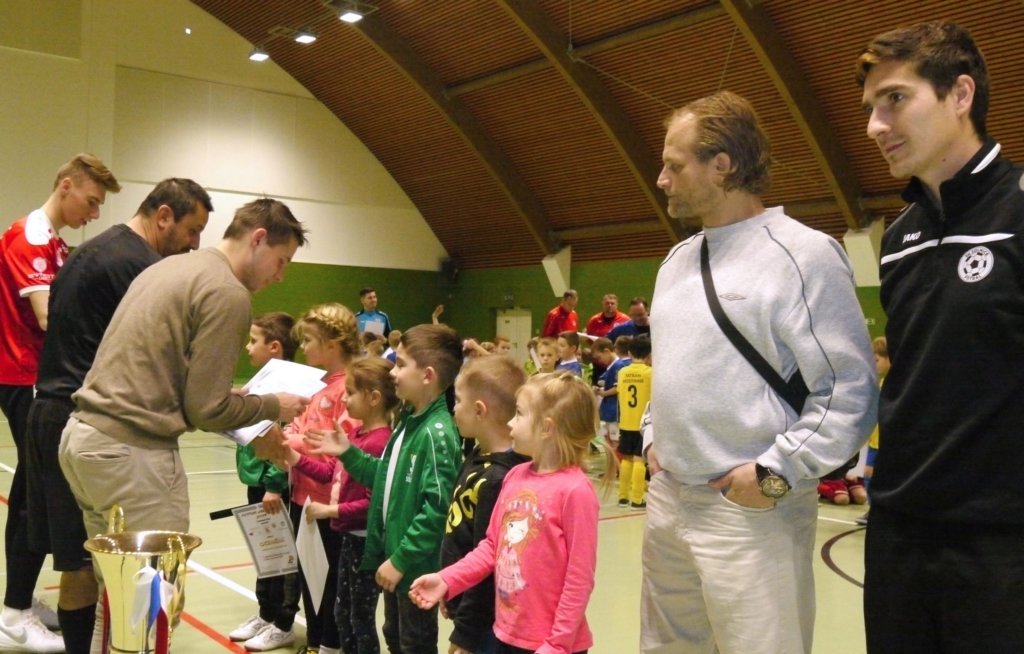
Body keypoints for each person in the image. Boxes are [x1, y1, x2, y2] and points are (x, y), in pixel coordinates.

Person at [641, 91, 876, 654]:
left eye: (675, 165)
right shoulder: (676, 261)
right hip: (668, 500)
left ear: (721, 165)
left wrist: (775, 474)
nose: (661, 179)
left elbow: (848, 391)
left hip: (751, 508)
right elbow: (671, 372)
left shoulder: (803, 254)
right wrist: (652, 437)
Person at [857, 21, 1024, 651]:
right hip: (898, 534)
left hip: (1001, 545)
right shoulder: (900, 237)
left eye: (895, 99)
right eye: (870, 107)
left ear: (960, 94)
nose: (875, 126)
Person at [22, 178, 212, 654]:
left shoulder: (93, 249)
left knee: (78, 563)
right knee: (114, 567)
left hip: (51, 414)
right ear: (163, 216)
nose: (195, 245)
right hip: (92, 421)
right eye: (192, 230)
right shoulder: (143, 269)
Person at [58, 198, 310, 541]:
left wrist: (224, 396)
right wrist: (273, 405)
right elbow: (207, 411)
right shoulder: (227, 291)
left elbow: (162, 372)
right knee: (157, 574)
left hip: (83, 439)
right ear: (258, 238)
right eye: (281, 261)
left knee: (118, 571)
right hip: (132, 451)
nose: (279, 276)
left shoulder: (170, 267)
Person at [0, 153, 121, 653]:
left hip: (40, 377)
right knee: (32, 495)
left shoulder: (54, 242)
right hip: (27, 378)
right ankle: (14, 612)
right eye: (91, 202)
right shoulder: (29, 237)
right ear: (66, 186)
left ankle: (19, 602)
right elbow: (50, 316)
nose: (94, 213)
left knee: (31, 492)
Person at [408, 372, 615, 654]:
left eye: (519, 414)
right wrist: (448, 579)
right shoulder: (515, 476)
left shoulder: (575, 491)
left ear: (546, 428)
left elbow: (579, 578)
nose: (510, 423)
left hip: (552, 646)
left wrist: (558, 643)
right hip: (507, 635)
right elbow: (491, 547)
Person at [304, 324, 463, 654]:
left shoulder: (436, 433)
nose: (393, 372)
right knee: (394, 635)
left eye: (401, 364)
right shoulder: (409, 421)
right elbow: (387, 477)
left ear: (427, 375)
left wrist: (400, 560)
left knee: (414, 643)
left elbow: (437, 510)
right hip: (396, 558)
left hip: (414, 567)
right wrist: (348, 453)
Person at [274, 357, 398, 654]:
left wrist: (330, 511)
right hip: (347, 538)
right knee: (343, 613)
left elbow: (373, 504)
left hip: (365, 543)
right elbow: (330, 472)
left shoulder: (379, 443)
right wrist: (293, 458)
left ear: (374, 398)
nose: (343, 398)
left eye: (351, 392)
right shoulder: (354, 434)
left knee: (360, 619)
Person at [443, 355, 530, 654]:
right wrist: (450, 587)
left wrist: (465, 632)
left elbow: (489, 564)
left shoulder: (498, 479)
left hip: (485, 622)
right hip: (465, 604)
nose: (453, 409)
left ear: (479, 410)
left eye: (457, 401)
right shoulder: (479, 456)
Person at [229, 312, 301, 650]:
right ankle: (266, 613)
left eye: (253, 341)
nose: (247, 347)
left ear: (274, 347)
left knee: (282, 553)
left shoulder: (290, 390)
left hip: (274, 485)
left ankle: (283, 622)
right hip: (256, 480)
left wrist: (275, 483)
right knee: (264, 550)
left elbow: (287, 439)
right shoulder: (260, 382)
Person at [617, 335, 652, 510]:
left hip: (625, 421)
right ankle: (637, 499)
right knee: (640, 460)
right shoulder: (650, 373)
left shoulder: (622, 372)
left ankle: (623, 497)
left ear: (629, 353)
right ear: (649, 354)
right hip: (642, 424)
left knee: (627, 458)